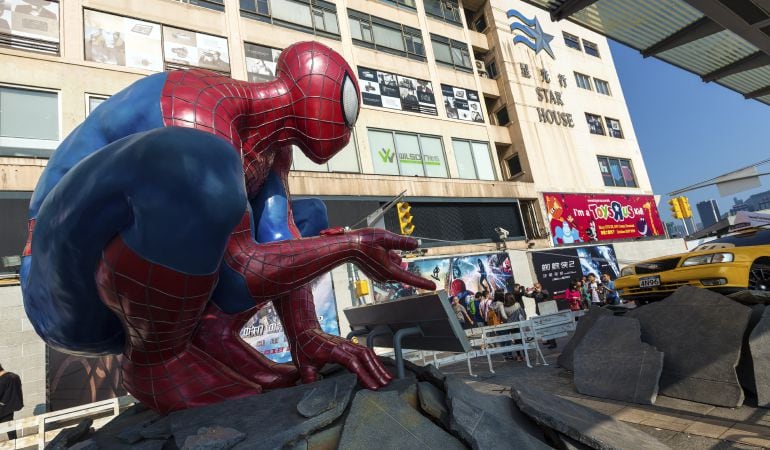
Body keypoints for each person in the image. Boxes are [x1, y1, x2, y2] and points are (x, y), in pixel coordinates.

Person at [0, 363, 23, 441]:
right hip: (9, 409)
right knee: (11, 432)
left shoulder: (2, 380)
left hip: (2, 410)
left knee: (10, 430)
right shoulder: (14, 376)